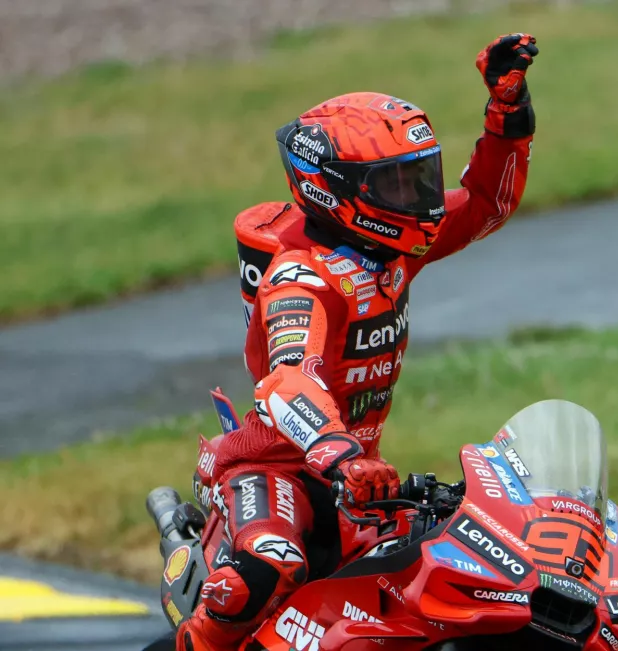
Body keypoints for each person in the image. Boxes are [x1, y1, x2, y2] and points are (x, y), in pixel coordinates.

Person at [177, 33, 539, 651]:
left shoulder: (395, 249)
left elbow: (486, 203)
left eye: (421, 179)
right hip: (274, 466)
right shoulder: (301, 278)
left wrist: (508, 115)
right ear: (332, 188)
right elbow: (288, 381)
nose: (421, 200)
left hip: (358, 478)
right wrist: (344, 455)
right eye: (399, 186)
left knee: (455, 578)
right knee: (266, 569)